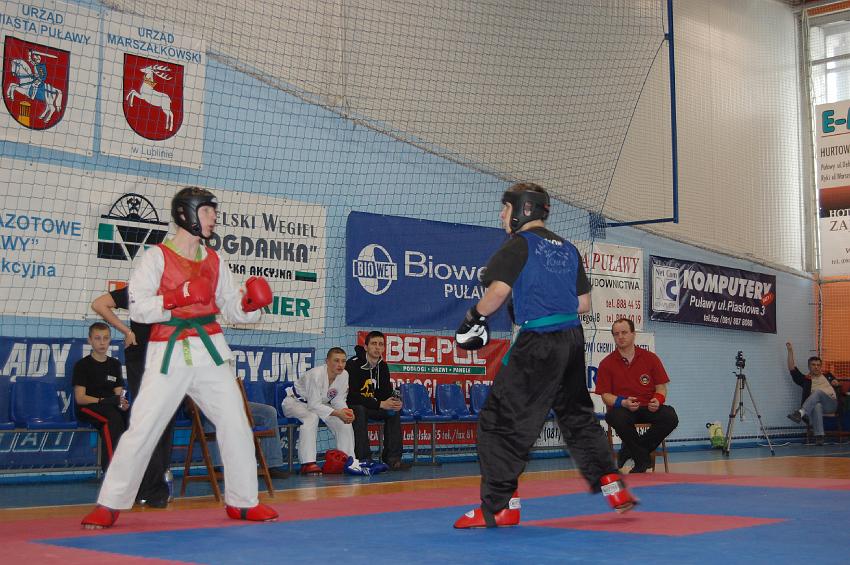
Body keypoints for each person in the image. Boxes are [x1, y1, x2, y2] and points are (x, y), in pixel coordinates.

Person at [81, 186, 277, 529]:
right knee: (143, 426)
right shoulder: (155, 257)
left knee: (235, 422)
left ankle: (243, 501)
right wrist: (178, 295)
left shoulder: (215, 260)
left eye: (214, 211)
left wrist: (249, 304)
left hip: (210, 350)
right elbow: (139, 309)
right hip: (168, 351)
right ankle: (110, 503)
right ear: (186, 214)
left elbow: (230, 307)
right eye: (207, 211)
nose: (214, 217)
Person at [453, 182, 636, 529]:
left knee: (499, 421)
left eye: (506, 208)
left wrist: (474, 316)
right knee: (576, 414)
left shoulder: (519, 244)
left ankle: (500, 507)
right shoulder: (568, 249)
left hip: (539, 342)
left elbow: (497, 292)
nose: (501, 215)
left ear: (523, 209)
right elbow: (583, 304)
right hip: (572, 339)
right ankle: (612, 485)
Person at [92, 287, 175, 507]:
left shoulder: (174, 289)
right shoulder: (139, 288)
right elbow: (99, 304)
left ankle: (153, 486)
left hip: (166, 359)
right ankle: (145, 487)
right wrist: (127, 332)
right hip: (143, 360)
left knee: (164, 422)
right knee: (148, 421)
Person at [595, 318, 679, 473]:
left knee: (670, 416)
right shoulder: (606, 363)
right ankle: (642, 460)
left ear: (633, 334)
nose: (620, 337)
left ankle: (629, 451)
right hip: (624, 409)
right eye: (616, 334)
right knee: (614, 416)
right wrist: (623, 402)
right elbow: (605, 396)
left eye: (624, 332)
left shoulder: (651, 358)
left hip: (648, 407)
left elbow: (661, 388)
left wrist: (658, 400)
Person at [283, 348, 371, 475]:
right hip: (295, 402)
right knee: (311, 417)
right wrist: (338, 413)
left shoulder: (344, 375)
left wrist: (345, 412)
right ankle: (308, 463)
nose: (340, 365)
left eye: (343, 361)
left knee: (343, 422)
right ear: (327, 361)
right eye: (336, 361)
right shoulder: (316, 375)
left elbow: (338, 400)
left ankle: (348, 461)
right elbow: (313, 405)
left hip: (320, 404)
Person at [345, 331, 410, 471]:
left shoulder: (383, 366)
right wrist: (380, 404)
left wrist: (394, 402)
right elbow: (352, 396)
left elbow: (385, 393)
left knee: (393, 412)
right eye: (374, 343)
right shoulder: (352, 364)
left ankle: (393, 459)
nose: (377, 347)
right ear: (366, 347)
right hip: (354, 406)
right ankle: (364, 459)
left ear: (384, 348)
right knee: (360, 410)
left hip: (373, 406)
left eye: (381, 344)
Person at [73, 322, 130, 474]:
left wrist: (123, 404)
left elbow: (119, 393)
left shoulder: (114, 364)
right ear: (90, 340)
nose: (102, 342)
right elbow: (80, 398)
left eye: (106, 338)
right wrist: (102, 400)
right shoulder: (82, 365)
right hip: (87, 407)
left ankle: (129, 467)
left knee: (129, 417)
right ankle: (111, 471)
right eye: (97, 338)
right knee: (112, 419)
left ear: (110, 340)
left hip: (109, 406)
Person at [204, 398, 291, 479]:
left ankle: (271, 465)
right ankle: (215, 467)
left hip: (233, 403)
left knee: (269, 412)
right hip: (210, 404)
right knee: (211, 412)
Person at [785, 342, 840, 445]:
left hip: (831, 404)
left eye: (818, 365)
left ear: (821, 366)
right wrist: (790, 351)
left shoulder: (827, 375)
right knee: (817, 406)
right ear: (809, 366)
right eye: (813, 365)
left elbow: (835, 382)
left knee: (818, 392)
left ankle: (800, 413)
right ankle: (819, 436)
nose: (816, 367)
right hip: (817, 405)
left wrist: (835, 382)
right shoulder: (806, 380)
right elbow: (792, 368)